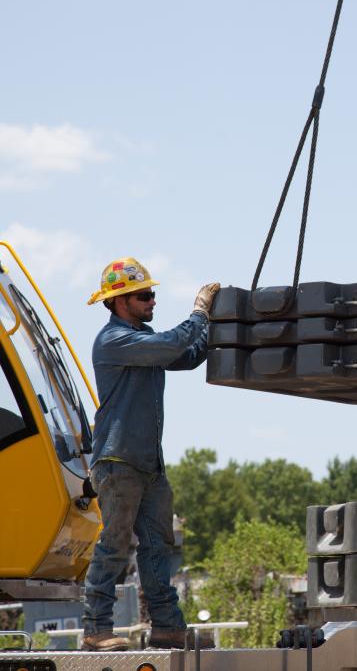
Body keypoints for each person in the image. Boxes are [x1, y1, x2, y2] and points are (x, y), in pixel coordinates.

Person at [81, 257, 219, 652]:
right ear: (120, 301)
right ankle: (96, 628)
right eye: (145, 295)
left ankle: (167, 626)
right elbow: (174, 343)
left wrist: (218, 327)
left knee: (159, 545)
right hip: (118, 460)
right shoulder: (115, 341)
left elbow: (187, 355)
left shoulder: (143, 341)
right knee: (116, 542)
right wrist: (199, 311)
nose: (152, 301)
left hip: (147, 464)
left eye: (152, 294)